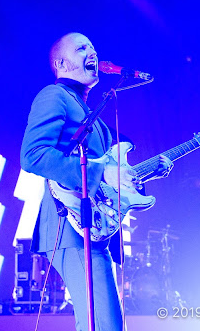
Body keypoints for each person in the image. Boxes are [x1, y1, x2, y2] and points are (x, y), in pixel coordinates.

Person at [20, 32, 173, 331]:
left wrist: (143, 173)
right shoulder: (54, 96)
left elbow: (106, 177)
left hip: (93, 226)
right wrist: (97, 173)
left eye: (92, 47)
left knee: (101, 325)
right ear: (61, 62)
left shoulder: (93, 115)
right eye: (81, 48)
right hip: (70, 227)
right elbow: (33, 155)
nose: (92, 52)